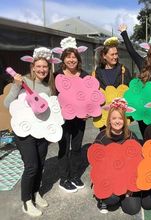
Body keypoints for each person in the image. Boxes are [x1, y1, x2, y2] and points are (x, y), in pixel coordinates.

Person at [4, 47, 59, 217]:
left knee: (41, 165)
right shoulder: (24, 81)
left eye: (45, 67)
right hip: (24, 133)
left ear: (49, 68)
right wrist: (16, 86)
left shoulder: (49, 88)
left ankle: (36, 193)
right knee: (31, 166)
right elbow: (7, 104)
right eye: (39, 66)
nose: (42, 69)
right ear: (33, 67)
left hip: (41, 132)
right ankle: (26, 202)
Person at [92, 98, 141, 215]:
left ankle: (124, 193)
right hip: (108, 178)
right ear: (109, 119)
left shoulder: (131, 136)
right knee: (111, 199)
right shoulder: (101, 137)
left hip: (127, 177)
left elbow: (138, 162)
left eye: (120, 118)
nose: (117, 121)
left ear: (124, 120)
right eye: (114, 118)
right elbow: (95, 162)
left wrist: (131, 185)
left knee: (132, 209)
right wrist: (97, 181)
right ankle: (103, 199)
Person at [53, 36, 89, 193]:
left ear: (78, 58)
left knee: (76, 147)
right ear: (63, 58)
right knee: (63, 147)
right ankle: (64, 178)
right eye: (68, 57)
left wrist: (88, 111)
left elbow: (90, 96)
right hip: (62, 118)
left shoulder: (84, 75)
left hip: (79, 119)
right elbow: (52, 97)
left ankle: (74, 175)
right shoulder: (56, 76)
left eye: (74, 57)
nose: (71, 60)